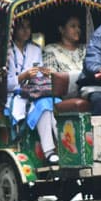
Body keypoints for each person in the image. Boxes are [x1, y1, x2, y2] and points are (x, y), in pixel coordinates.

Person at [6, 17, 60, 165]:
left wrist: (45, 73)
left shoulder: (35, 49)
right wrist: (23, 76)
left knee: (54, 103)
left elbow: (40, 76)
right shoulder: (8, 52)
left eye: (28, 27)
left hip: (37, 91)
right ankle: (49, 152)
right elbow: (5, 85)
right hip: (17, 96)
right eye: (21, 27)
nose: (26, 31)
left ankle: (62, 148)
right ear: (13, 30)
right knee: (44, 105)